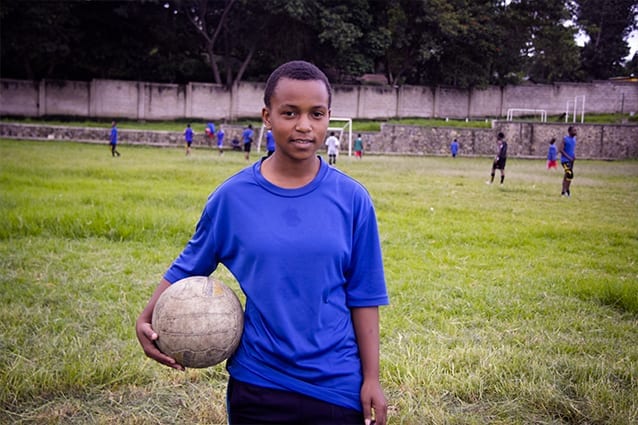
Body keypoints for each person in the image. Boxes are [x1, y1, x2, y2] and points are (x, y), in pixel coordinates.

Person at [135, 60, 389, 425]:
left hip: (336, 385)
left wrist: (372, 379)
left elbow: (364, 296)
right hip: (258, 383)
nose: (304, 125)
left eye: (316, 114)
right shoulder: (232, 199)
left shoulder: (352, 199)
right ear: (267, 117)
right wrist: (146, 317)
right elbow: (189, 265)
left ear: (328, 117)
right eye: (290, 113)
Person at [559, 126, 577, 197]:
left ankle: (565, 190)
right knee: (569, 174)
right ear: (569, 132)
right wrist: (568, 157)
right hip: (565, 161)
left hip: (571, 161)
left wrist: (573, 156)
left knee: (567, 175)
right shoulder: (565, 139)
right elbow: (561, 150)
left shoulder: (574, 140)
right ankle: (565, 192)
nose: (575, 132)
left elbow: (571, 149)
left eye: (576, 130)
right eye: (574, 130)